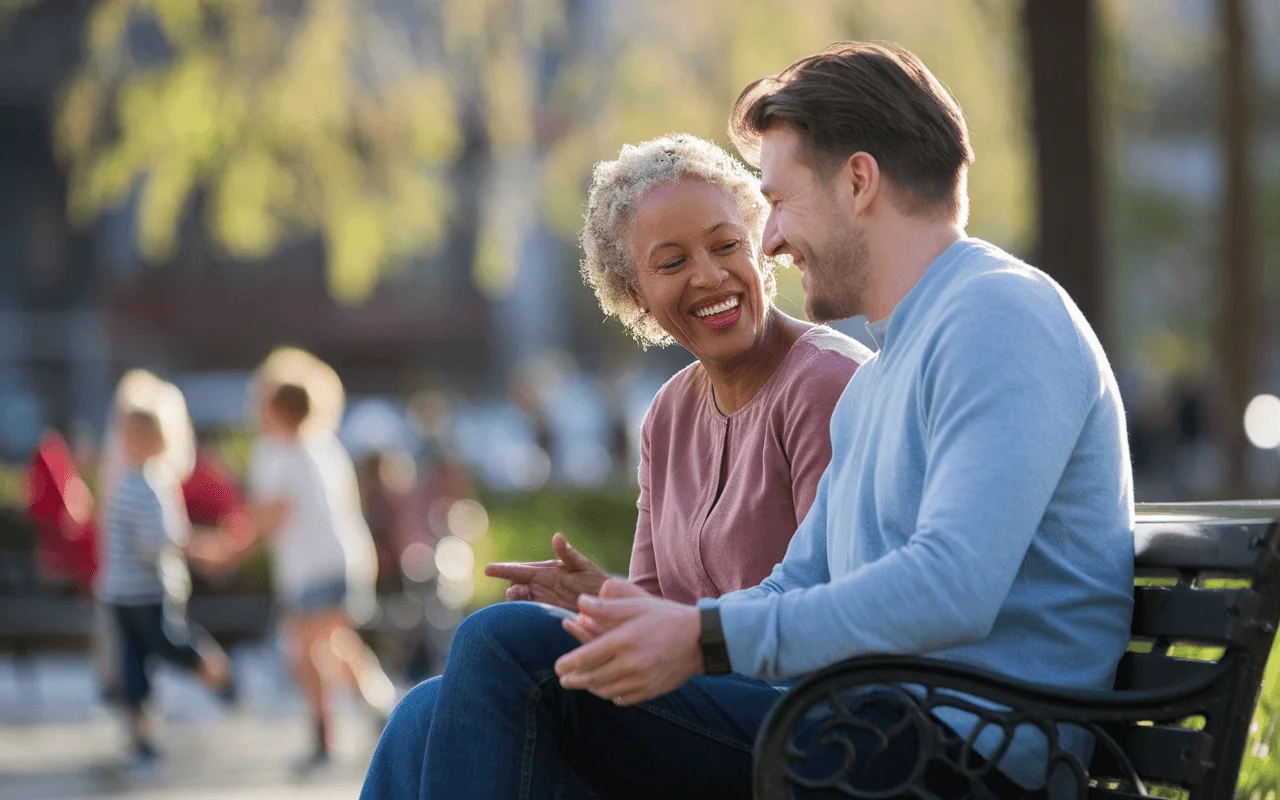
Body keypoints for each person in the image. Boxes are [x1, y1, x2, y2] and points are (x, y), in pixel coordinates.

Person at [369, 41, 1136, 799]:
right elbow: (797, 581)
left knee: (507, 649)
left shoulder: (999, 313)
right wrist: (649, 619)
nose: (769, 239)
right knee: (432, 712)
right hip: (874, 730)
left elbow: (954, 584)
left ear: (859, 182)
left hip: (955, 760)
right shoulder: (889, 373)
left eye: (777, 201)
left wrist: (701, 638)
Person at [361, 134, 872, 798]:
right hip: (702, 707)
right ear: (634, 294)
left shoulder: (826, 384)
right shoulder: (666, 414)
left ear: (757, 243)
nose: (711, 275)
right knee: (423, 712)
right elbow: (656, 608)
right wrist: (603, 601)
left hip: (805, 719)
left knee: (500, 638)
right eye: (671, 261)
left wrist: (658, 629)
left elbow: (840, 607)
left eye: (726, 244)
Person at [247, 373, 396, 774]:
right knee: (334, 644)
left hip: (313, 568)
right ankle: (382, 707)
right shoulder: (325, 448)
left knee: (305, 650)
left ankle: (325, 736)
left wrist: (230, 543)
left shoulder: (286, 455)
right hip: (343, 561)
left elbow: (271, 518)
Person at [97, 407, 235, 765]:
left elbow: (159, 540)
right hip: (125, 593)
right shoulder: (135, 483)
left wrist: (196, 548)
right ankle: (140, 739)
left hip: (148, 594)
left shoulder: (152, 483)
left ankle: (218, 674)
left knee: (172, 645)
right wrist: (198, 548)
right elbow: (155, 542)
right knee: (133, 668)